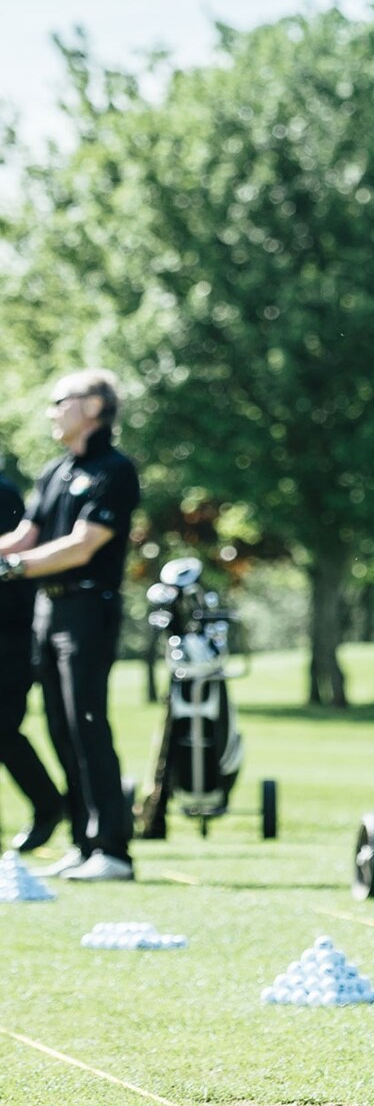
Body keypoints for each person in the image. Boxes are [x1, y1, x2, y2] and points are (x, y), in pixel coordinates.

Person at [0, 370, 142, 882]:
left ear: (93, 407)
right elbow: (25, 534)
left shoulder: (114, 470)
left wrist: (12, 568)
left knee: (86, 723)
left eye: (61, 401)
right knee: (59, 726)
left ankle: (113, 850)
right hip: (48, 609)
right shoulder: (56, 471)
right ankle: (84, 842)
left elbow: (83, 545)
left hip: (87, 608)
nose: (52, 411)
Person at [0, 465, 60, 852]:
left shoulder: (4, 496)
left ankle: (49, 804)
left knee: (3, 729)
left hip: (10, 638)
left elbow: (19, 566)